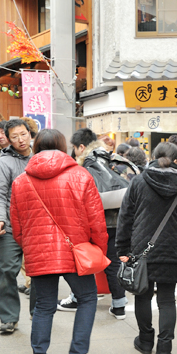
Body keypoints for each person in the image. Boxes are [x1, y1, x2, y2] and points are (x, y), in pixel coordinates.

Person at [10, 129, 108, 354]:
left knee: (43, 306)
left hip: (39, 253)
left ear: (36, 147)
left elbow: (17, 225)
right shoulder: (80, 175)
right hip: (75, 252)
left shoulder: (21, 181)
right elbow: (96, 220)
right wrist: (99, 248)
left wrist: (29, 248)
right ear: (64, 146)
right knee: (87, 299)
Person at [116, 142, 177, 354]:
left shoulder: (139, 182)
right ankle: (164, 350)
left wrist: (122, 249)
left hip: (142, 250)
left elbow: (126, 218)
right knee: (166, 300)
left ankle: (144, 340)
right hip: (171, 251)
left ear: (153, 157)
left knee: (142, 295)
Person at [57, 128, 136, 319]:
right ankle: (119, 305)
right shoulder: (116, 159)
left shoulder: (84, 165)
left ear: (81, 147)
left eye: (75, 148)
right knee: (114, 263)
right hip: (121, 221)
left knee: (82, 259)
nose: (74, 152)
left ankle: (77, 297)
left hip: (96, 221)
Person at [0, 119, 34, 334]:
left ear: (30, 133)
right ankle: (9, 317)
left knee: (39, 272)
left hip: (38, 226)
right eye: (14, 137)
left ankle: (39, 311)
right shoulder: (3, 162)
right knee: (6, 270)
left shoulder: (41, 156)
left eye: (23, 134)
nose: (20, 140)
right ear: (8, 138)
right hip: (10, 225)